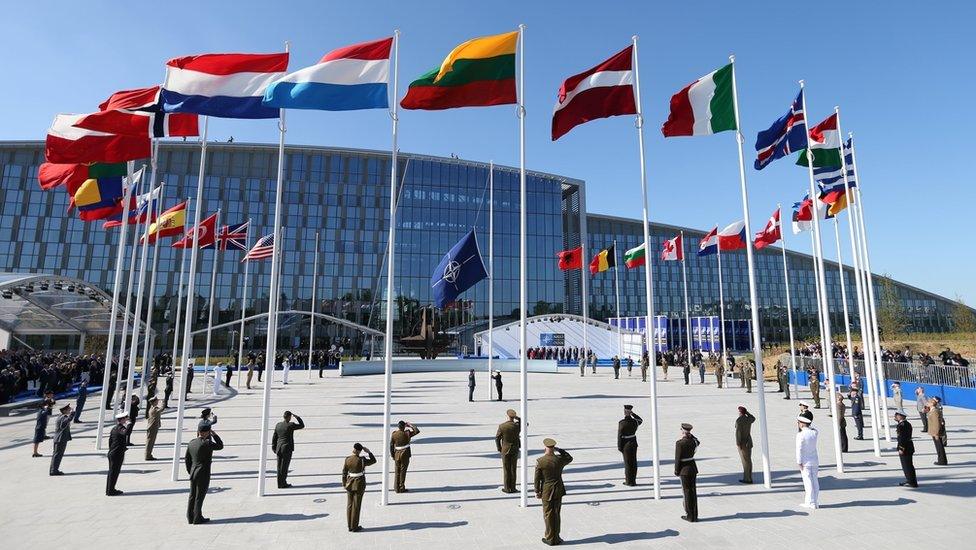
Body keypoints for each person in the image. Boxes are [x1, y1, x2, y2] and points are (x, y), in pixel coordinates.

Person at [535, 438, 573, 546]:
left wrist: (537, 491)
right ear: (553, 447)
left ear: (545, 447)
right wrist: (560, 450)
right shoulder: (559, 459)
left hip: (546, 491)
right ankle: (556, 537)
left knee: (548, 514)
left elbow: (537, 478)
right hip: (558, 489)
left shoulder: (540, 461)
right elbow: (570, 458)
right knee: (556, 513)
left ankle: (550, 538)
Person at [185, 420, 224, 524]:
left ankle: (190, 516)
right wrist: (215, 435)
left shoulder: (192, 442)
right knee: (200, 496)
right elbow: (220, 446)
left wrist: (191, 471)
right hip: (203, 473)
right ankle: (197, 518)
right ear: (207, 432)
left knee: (192, 495)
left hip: (193, 472)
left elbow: (187, 460)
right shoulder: (206, 443)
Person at [342, 443, 376, 532]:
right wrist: (369, 452)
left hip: (349, 483)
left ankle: (349, 526)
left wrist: (344, 484)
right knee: (356, 506)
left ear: (353, 449)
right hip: (359, 484)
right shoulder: (362, 460)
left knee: (349, 505)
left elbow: (344, 473)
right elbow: (373, 461)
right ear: (360, 451)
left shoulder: (347, 459)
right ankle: (355, 526)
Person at [272, 410, 305, 488]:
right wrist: (297, 417)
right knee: (284, 467)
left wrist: (274, 448)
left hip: (279, 448)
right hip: (287, 448)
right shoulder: (291, 425)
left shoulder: (278, 425)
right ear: (290, 417)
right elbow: (302, 425)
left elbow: (274, 437)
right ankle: (283, 483)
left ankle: (279, 483)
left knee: (279, 467)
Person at [675, 423, 699, 522]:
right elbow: (698, 441)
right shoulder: (693, 442)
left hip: (684, 470)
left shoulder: (680, 443)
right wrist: (690, 435)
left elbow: (678, 458)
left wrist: (676, 470)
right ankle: (694, 515)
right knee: (693, 491)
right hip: (692, 468)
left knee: (687, 493)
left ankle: (689, 515)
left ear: (683, 431)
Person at [796, 414, 819, 509]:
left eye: (798, 422)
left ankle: (810, 502)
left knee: (808, 482)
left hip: (805, 462)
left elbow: (799, 449)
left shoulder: (800, 435)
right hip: (814, 460)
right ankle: (815, 502)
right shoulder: (814, 433)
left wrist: (799, 461)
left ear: (801, 424)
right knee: (815, 482)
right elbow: (813, 429)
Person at [390, 420, 420, 493]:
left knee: (397, 471)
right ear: (404, 426)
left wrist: (393, 455)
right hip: (405, 454)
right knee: (403, 471)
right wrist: (410, 425)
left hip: (397, 454)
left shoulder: (394, 434)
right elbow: (417, 431)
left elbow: (391, 445)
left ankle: (396, 488)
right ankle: (401, 487)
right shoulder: (407, 433)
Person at [495, 409, 521, 493]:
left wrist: (499, 448)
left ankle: (507, 488)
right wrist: (519, 419)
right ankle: (513, 487)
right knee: (513, 469)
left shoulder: (502, 426)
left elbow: (497, 438)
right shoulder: (517, 426)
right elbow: (524, 424)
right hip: (515, 448)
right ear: (514, 417)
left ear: (507, 415)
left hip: (505, 449)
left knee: (506, 469)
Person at [617, 404, 643, 486]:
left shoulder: (622, 423)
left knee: (628, 463)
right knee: (633, 462)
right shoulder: (635, 421)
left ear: (624, 412)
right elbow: (640, 420)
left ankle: (629, 481)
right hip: (633, 442)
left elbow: (619, 435)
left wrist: (619, 446)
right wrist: (632, 414)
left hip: (626, 444)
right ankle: (633, 480)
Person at [106, 412, 131, 496]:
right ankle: (111, 491)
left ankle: (109, 490)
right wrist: (129, 424)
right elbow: (126, 433)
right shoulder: (120, 428)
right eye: (126, 418)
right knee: (114, 472)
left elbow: (110, 441)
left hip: (113, 453)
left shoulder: (114, 428)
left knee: (112, 472)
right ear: (122, 419)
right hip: (116, 454)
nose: (127, 419)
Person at [893, 410, 918, 487]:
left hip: (905, 448)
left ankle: (911, 482)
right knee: (909, 465)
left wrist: (901, 448)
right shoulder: (906, 424)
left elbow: (902, 438)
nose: (895, 417)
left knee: (907, 466)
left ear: (901, 416)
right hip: (909, 446)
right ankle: (911, 480)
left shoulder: (902, 425)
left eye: (896, 415)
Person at [49, 404, 72, 475]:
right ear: (64, 410)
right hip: (60, 439)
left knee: (56, 455)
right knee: (58, 455)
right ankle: (54, 471)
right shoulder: (63, 417)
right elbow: (64, 424)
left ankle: (53, 470)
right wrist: (72, 414)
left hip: (59, 439)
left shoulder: (61, 416)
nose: (70, 410)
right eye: (69, 409)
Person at [734, 406, 755, 484]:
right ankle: (749, 477)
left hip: (742, 443)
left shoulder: (739, 420)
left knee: (745, 461)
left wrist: (738, 443)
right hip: (748, 442)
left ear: (740, 412)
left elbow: (738, 433)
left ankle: (747, 478)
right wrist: (747, 413)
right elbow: (753, 418)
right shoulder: (748, 419)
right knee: (749, 460)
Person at [927, 398, 947, 465]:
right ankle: (942, 460)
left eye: (929, 402)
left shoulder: (934, 411)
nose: (927, 403)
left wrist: (936, 433)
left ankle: (941, 461)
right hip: (934, 431)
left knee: (939, 447)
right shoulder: (932, 410)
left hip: (936, 432)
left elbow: (936, 423)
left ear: (932, 404)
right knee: (939, 446)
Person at [145, 395, 163, 460]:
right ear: (154, 402)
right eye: (157, 400)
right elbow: (161, 409)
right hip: (152, 427)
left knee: (150, 442)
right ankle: (148, 455)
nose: (158, 401)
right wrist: (163, 402)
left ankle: (148, 455)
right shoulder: (154, 409)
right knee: (150, 442)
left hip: (152, 427)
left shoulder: (152, 408)